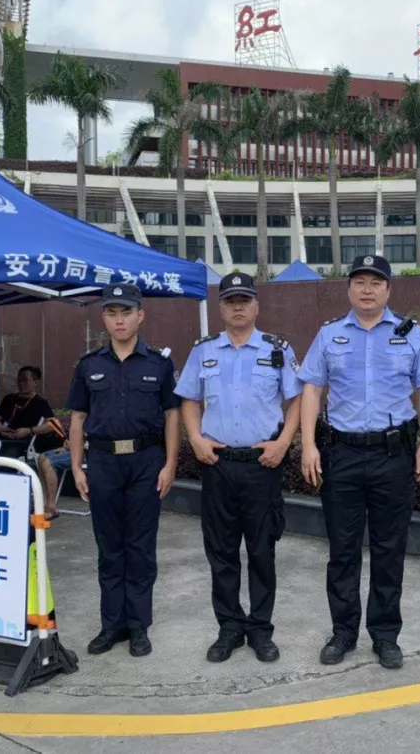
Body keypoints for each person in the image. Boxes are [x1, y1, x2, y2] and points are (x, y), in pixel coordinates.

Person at [298, 254, 420, 669]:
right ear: (348, 288)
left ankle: (385, 635)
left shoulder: (409, 333)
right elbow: (311, 390)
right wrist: (308, 445)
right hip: (341, 454)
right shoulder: (329, 334)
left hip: (393, 456)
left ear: (388, 290)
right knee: (342, 550)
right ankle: (343, 633)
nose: (367, 289)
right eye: (359, 281)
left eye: (376, 282)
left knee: (389, 549)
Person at [175, 272, 302, 664]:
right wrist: (195, 438)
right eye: (231, 301)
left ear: (256, 305)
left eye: (244, 300)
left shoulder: (277, 349)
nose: (238, 307)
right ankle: (229, 627)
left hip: (262, 465)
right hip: (218, 464)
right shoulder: (203, 351)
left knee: (262, 552)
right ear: (221, 308)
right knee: (222, 552)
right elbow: (189, 399)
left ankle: (260, 629)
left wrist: (283, 443)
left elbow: (298, 400)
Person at [66, 283, 180, 659]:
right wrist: (77, 467)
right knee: (109, 547)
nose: (119, 320)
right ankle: (112, 624)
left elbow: (172, 416)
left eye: (126, 312)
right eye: (112, 313)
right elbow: (77, 418)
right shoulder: (89, 365)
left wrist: (170, 465)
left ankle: (138, 625)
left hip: (146, 462)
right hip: (103, 463)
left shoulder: (159, 364)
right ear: (104, 318)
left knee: (141, 547)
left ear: (140, 316)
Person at [0, 366, 58, 459]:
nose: (21, 384)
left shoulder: (40, 403)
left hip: (20, 442)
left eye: (25, 381)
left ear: (36, 382)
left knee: (7, 456)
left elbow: (54, 425)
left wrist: (29, 431)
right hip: (1, 437)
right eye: (19, 380)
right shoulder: (9, 398)